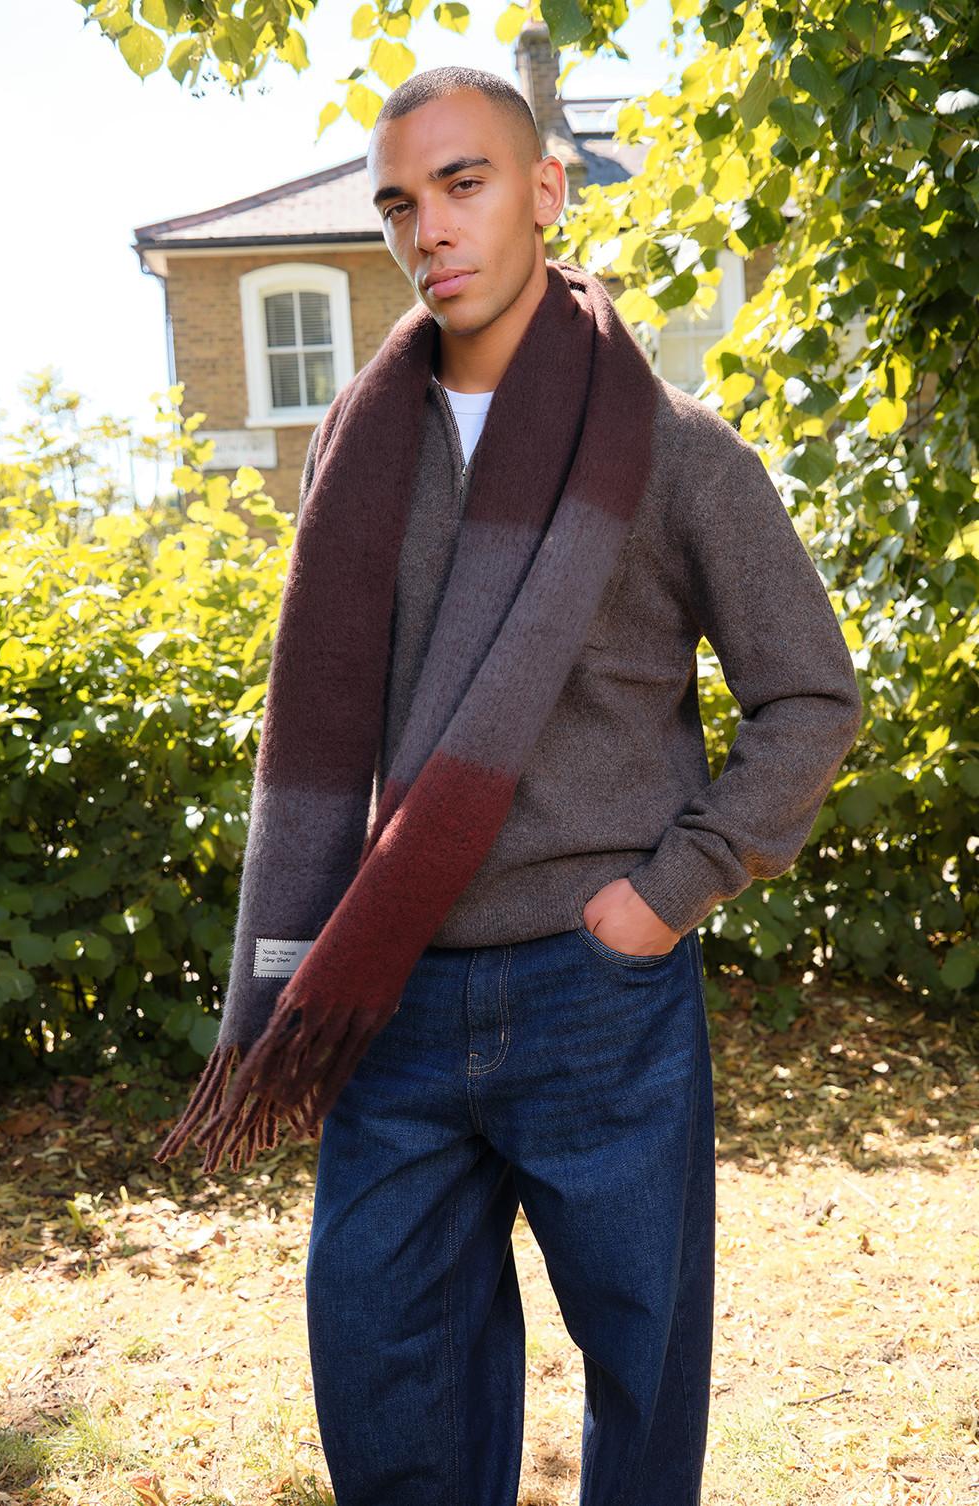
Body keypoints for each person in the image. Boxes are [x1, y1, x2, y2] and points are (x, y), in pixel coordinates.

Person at [300, 66, 862, 1506]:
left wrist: (667, 897)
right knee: (382, 1384)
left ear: (547, 192)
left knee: (641, 1386)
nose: (429, 227)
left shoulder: (676, 451)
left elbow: (810, 694)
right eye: (398, 204)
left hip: (598, 995)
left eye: (465, 183)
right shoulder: (355, 454)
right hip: (399, 1001)